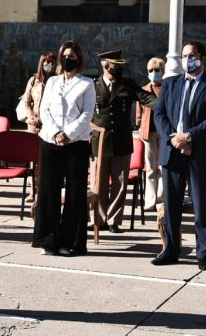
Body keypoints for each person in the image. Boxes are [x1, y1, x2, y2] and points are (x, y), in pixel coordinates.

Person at [152, 41, 206, 271]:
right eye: (184, 56)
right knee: (172, 204)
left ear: (202, 58)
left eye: (192, 55)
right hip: (173, 152)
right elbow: (160, 113)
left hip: (200, 153)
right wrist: (174, 139)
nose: (187, 59)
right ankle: (171, 249)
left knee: (201, 206)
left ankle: (204, 253)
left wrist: (189, 137)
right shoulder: (170, 83)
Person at [32, 40, 95, 256]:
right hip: (51, 140)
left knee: (75, 193)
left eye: (72, 56)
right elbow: (45, 109)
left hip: (75, 143)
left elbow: (87, 114)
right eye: (65, 55)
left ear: (79, 59)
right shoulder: (52, 82)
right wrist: (56, 133)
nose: (68, 59)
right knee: (48, 190)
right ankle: (48, 240)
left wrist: (67, 134)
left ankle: (70, 242)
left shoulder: (87, 83)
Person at [91, 50, 156, 233]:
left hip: (121, 141)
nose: (118, 69)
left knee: (120, 184)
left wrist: (166, 106)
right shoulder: (93, 85)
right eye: (115, 65)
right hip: (100, 142)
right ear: (105, 65)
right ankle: (98, 219)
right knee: (98, 183)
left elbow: (147, 98)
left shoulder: (127, 85)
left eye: (120, 66)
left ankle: (113, 220)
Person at [19, 51, 57, 203]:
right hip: (34, 125)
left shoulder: (57, 80)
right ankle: (33, 191)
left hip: (50, 125)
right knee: (33, 160)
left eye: (52, 62)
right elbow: (26, 101)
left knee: (47, 159)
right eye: (47, 62)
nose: (49, 65)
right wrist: (33, 117)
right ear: (42, 63)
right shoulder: (34, 80)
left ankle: (45, 190)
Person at [136, 56, 165, 212]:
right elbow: (139, 113)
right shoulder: (144, 89)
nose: (154, 73)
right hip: (148, 133)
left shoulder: (167, 87)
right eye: (151, 70)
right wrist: (140, 125)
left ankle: (161, 200)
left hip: (164, 132)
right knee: (150, 167)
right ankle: (150, 201)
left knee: (162, 167)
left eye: (157, 70)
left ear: (162, 71)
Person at [0, 42, 28, 123]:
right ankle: (8, 122)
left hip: (18, 88)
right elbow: (1, 73)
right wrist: (1, 85)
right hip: (7, 87)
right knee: (7, 105)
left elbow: (25, 74)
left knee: (17, 105)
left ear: (17, 49)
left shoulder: (21, 60)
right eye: (11, 47)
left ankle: (17, 123)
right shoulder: (5, 59)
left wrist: (25, 87)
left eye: (15, 47)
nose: (13, 49)